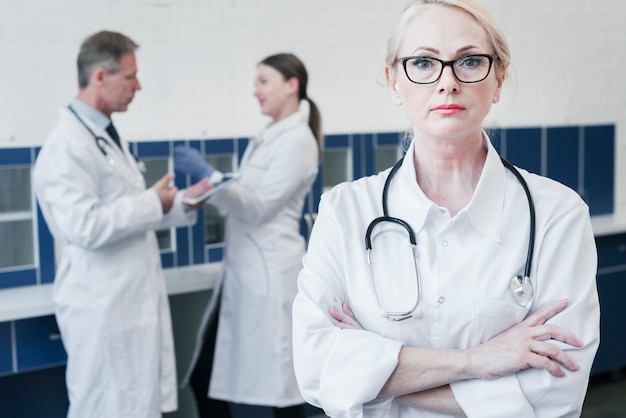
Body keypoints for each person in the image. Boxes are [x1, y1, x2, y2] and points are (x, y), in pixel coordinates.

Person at [291, 1, 600, 417]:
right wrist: (480, 361)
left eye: (470, 61)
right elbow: (315, 368)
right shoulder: (344, 211)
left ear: (499, 79)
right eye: (423, 63)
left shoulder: (557, 215)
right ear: (393, 81)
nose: (447, 82)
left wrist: (372, 380)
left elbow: (556, 392)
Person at [33, 30, 211, 418]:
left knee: (135, 404)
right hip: (102, 307)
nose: (138, 85)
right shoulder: (64, 148)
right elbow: (85, 227)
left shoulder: (104, 138)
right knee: (107, 406)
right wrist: (152, 202)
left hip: (128, 300)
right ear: (100, 77)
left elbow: (128, 213)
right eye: (130, 76)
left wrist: (181, 202)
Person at [175, 53, 322, 417]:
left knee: (283, 391)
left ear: (292, 85)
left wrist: (210, 176)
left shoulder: (297, 141)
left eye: (263, 81)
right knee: (210, 377)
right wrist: (212, 186)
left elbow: (258, 208)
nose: (255, 90)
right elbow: (248, 201)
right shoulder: (270, 136)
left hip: (270, 276)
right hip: (244, 272)